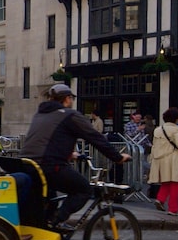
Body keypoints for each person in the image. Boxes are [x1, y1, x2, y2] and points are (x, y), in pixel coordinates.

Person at [20, 84, 130, 230]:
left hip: (27, 164)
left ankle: (45, 227)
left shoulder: (40, 114)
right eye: (71, 98)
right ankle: (55, 221)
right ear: (67, 99)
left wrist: (70, 154)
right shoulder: (69, 115)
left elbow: (45, 140)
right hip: (49, 165)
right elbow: (95, 137)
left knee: (50, 198)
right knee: (83, 189)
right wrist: (117, 157)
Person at [149, 107, 178, 215]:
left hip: (160, 158)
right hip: (174, 158)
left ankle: (160, 199)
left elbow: (154, 145)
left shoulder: (158, 129)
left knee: (166, 181)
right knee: (175, 183)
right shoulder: (176, 129)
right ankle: (173, 209)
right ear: (176, 118)